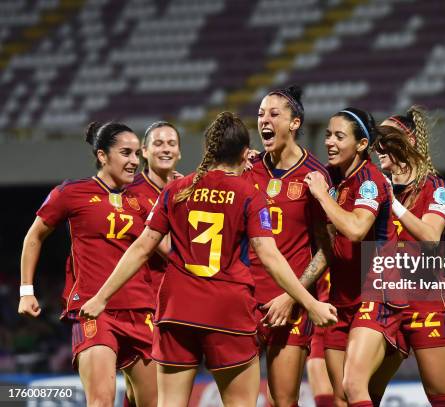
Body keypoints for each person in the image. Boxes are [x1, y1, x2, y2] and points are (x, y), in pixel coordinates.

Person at [79, 112, 337, 407]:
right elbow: (269, 256)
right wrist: (310, 302)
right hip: (227, 313)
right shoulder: (249, 193)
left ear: (207, 150)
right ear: (244, 154)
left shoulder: (176, 189)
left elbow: (140, 248)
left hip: (177, 311)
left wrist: (101, 297)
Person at [18, 121, 158, 407]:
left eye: (136, 155)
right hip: (94, 311)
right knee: (101, 402)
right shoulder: (71, 193)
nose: (134, 161)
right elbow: (34, 237)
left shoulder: (144, 200)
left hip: (141, 311)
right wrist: (26, 290)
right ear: (103, 155)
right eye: (126, 153)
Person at [303, 107, 401, 407]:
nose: (330, 142)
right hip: (340, 299)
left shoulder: (370, 180)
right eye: (329, 135)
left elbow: (357, 229)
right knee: (342, 397)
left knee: (354, 384)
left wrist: (321, 196)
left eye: (339, 136)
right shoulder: (331, 178)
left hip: (378, 294)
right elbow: (330, 247)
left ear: (361, 145)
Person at [243, 85, 334, 407]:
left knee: (284, 401)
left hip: (291, 305)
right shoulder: (247, 169)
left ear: (295, 123)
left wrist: (291, 295)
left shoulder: (316, 177)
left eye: (273, 114)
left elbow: (327, 249)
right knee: (238, 400)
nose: (264, 121)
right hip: (244, 300)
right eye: (260, 114)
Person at [370, 108, 445, 407]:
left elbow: (431, 237)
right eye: (376, 139)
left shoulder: (435, 188)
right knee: (361, 391)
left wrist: (393, 204)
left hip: (428, 303)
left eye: (386, 139)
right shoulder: (376, 188)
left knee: (443, 400)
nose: (377, 145)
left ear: (408, 141)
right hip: (386, 302)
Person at [123, 120, 182, 406]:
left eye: (171, 143)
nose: (166, 149)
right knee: (151, 396)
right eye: (158, 143)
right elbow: (171, 249)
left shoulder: (186, 188)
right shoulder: (132, 193)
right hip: (142, 305)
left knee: (139, 394)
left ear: (180, 152)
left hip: (173, 305)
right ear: (144, 151)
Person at [306, 270, 334, 407]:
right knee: (325, 400)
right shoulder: (314, 250)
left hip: (360, 322)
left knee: (354, 391)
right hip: (321, 322)